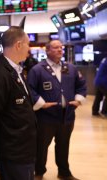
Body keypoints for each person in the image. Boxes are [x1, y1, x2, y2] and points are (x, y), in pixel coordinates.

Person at [0, 26, 37, 180]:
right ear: (18, 45)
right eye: (28, 45)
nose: (29, 50)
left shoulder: (16, 70)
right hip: (13, 152)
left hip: (24, 149)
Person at [27, 40, 87, 180]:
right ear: (47, 50)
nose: (60, 50)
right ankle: (38, 172)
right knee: (41, 146)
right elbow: (30, 90)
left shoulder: (70, 68)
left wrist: (78, 100)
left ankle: (64, 172)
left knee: (63, 145)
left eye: (61, 47)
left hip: (67, 116)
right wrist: (41, 104)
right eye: (56, 47)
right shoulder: (37, 69)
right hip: (45, 117)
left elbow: (81, 85)